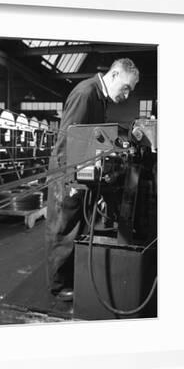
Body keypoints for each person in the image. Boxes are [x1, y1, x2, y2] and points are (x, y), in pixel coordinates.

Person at [45, 58, 140, 301]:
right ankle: (58, 286)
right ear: (115, 74)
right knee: (64, 228)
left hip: (82, 171)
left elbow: (91, 138)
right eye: (126, 87)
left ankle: (71, 276)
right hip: (68, 174)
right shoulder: (86, 94)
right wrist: (71, 182)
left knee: (78, 226)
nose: (127, 95)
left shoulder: (101, 98)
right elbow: (68, 140)